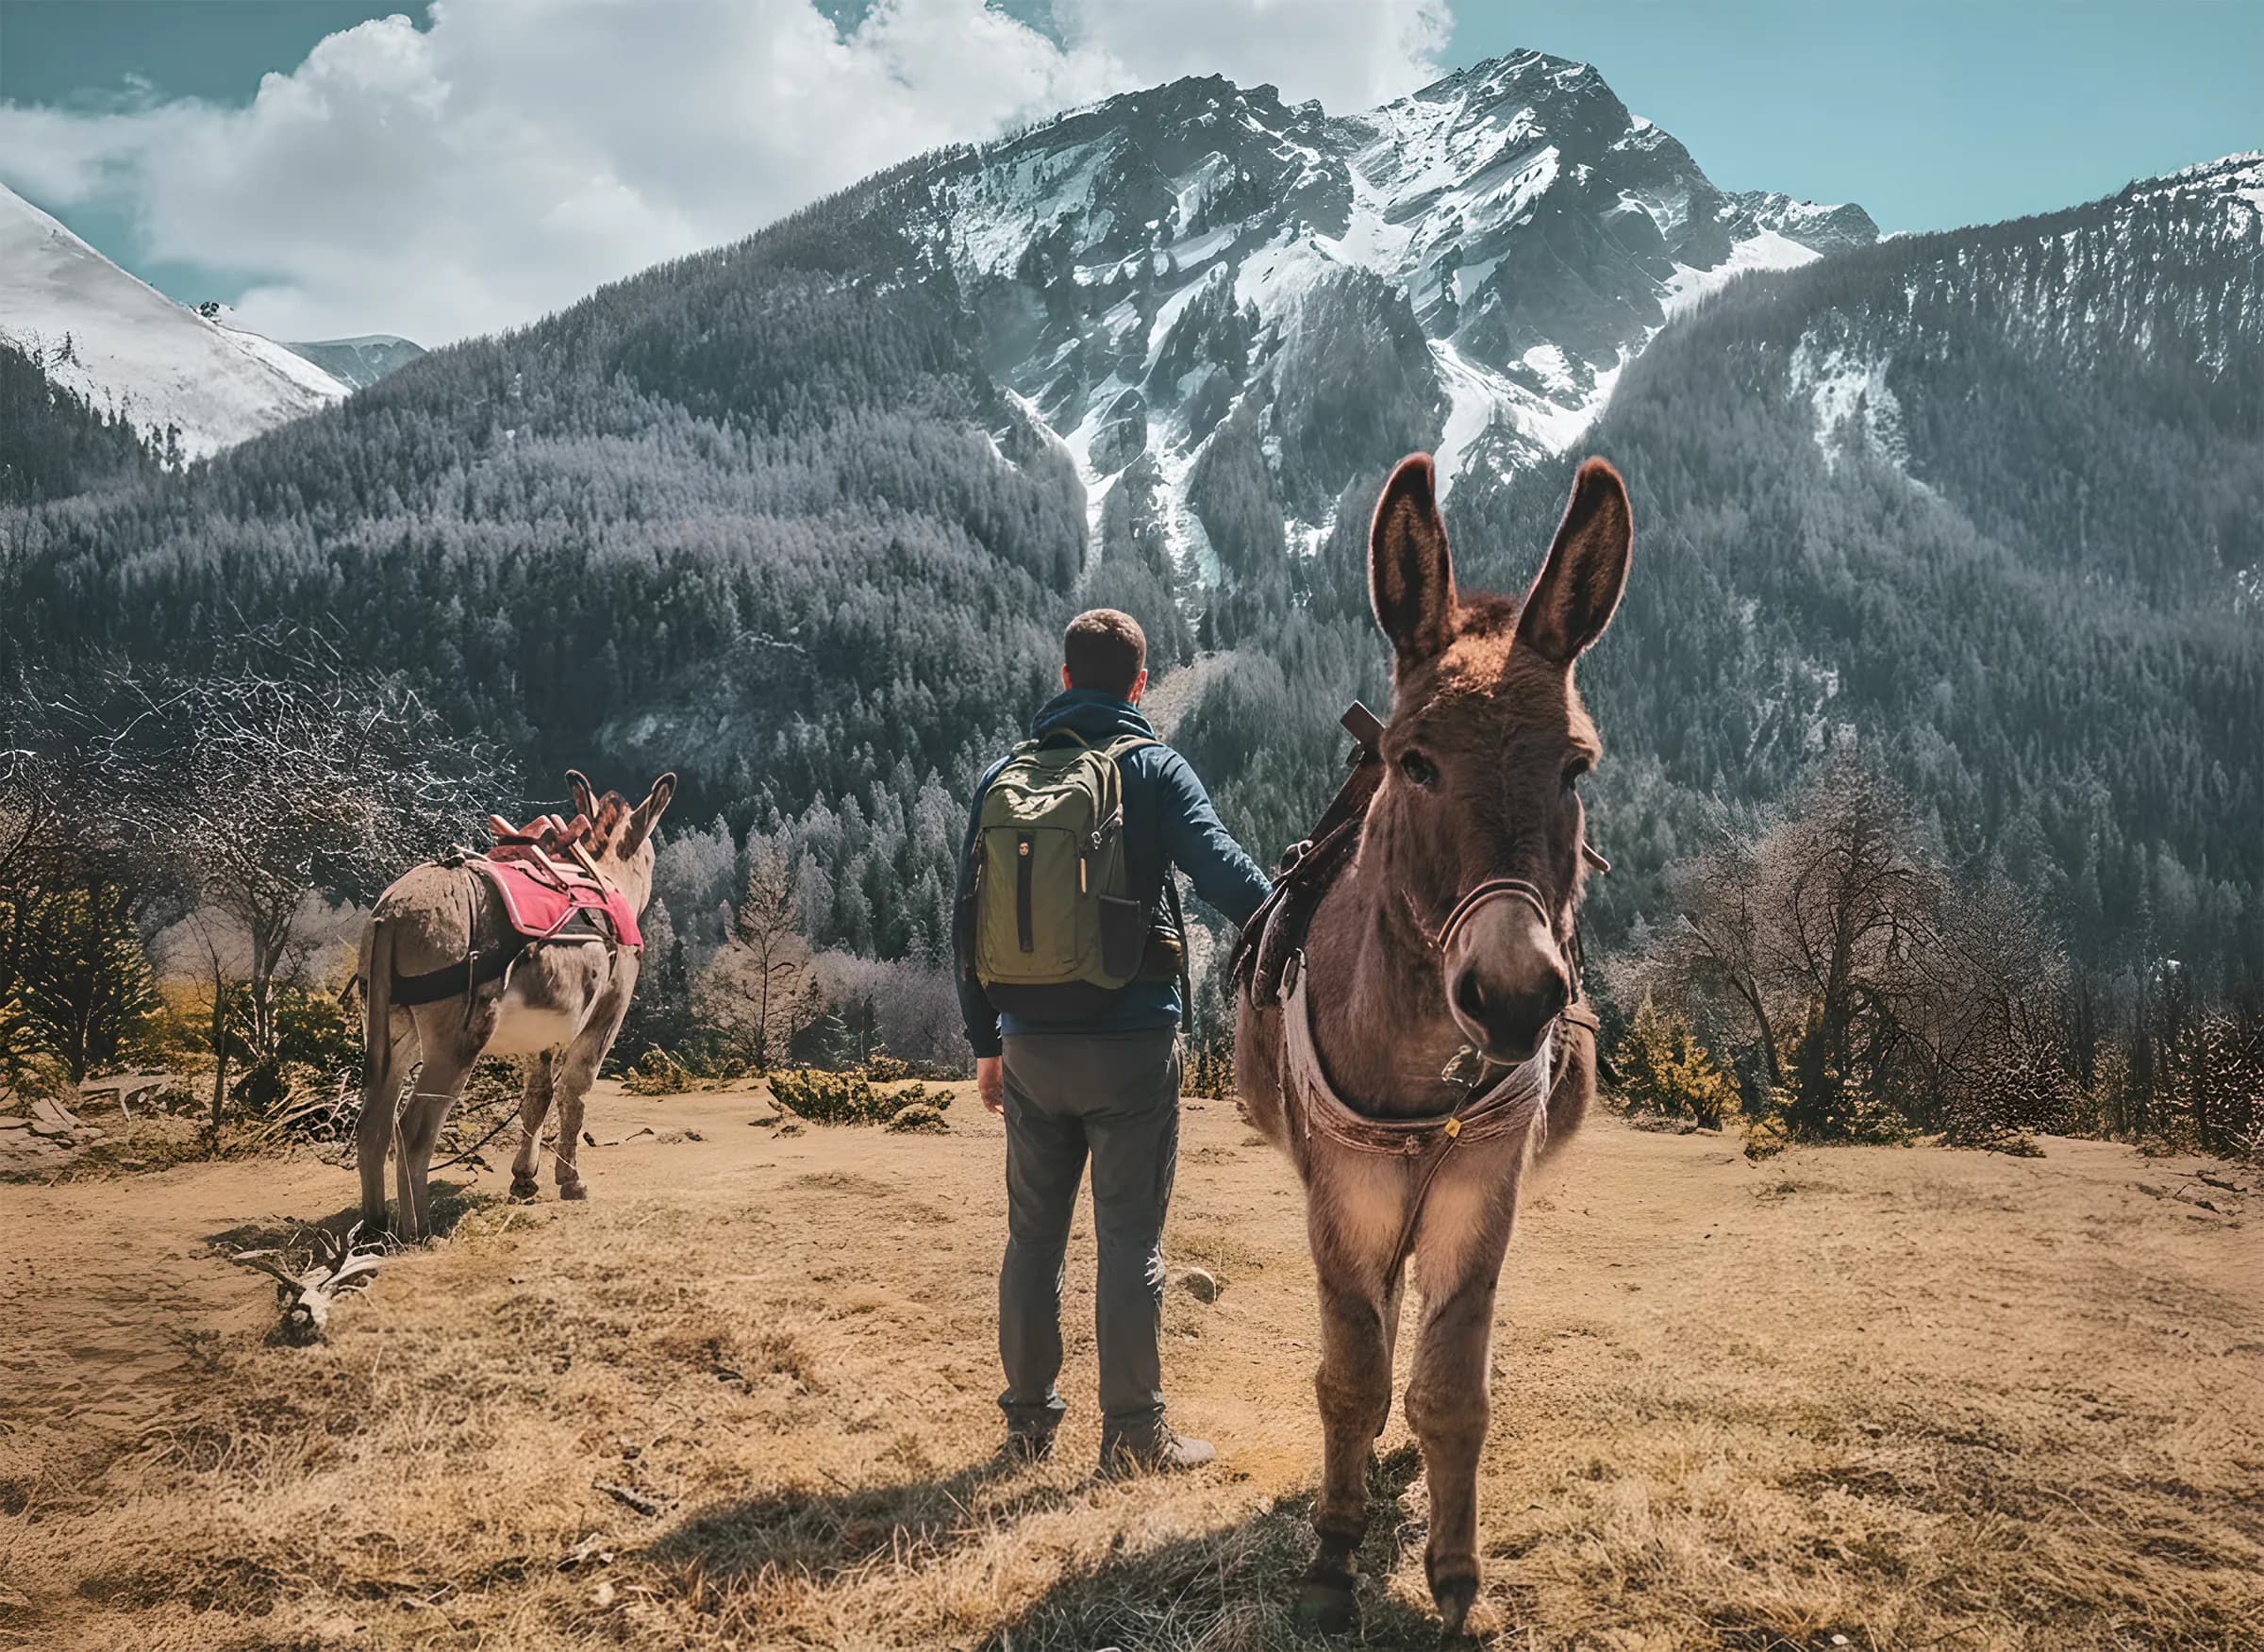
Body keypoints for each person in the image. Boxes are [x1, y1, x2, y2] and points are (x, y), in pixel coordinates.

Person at [956, 608, 1271, 1474]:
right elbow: (1222, 873)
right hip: (1132, 1043)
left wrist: (988, 1039)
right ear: (1139, 685)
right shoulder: (1153, 768)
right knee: (1130, 1241)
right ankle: (1133, 1437)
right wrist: (1303, 917)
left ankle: (1026, 1425)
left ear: (1063, 679)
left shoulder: (1003, 778)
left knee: (1033, 1238)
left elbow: (965, 920)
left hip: (1028, 1047)